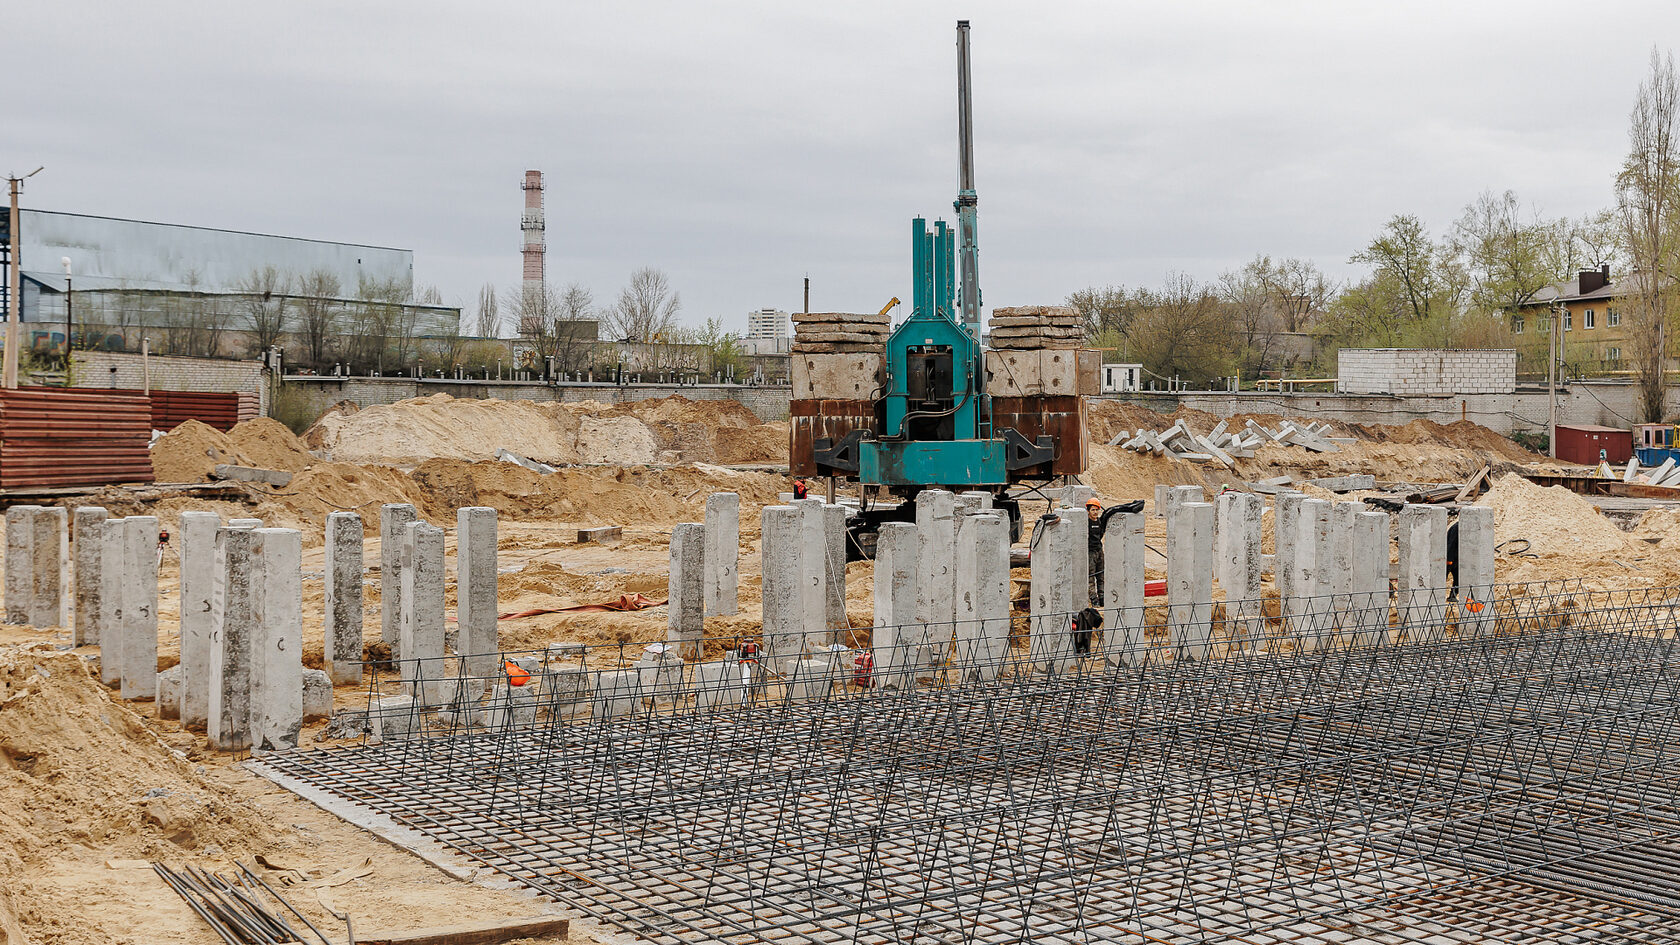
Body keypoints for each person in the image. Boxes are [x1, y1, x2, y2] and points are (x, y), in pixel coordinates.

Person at [1085, 498, 1104, 604]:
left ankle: (1102, 598)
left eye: (1097, 510)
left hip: (1099, 550)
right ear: (1088, 511)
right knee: (1091, 577)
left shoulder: (1100, 521)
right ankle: (1094, 599)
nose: (1095, 512)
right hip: (1090, 552)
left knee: (1101, 575)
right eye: (1093, 510)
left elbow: (1101, 534)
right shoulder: (1086, 523)